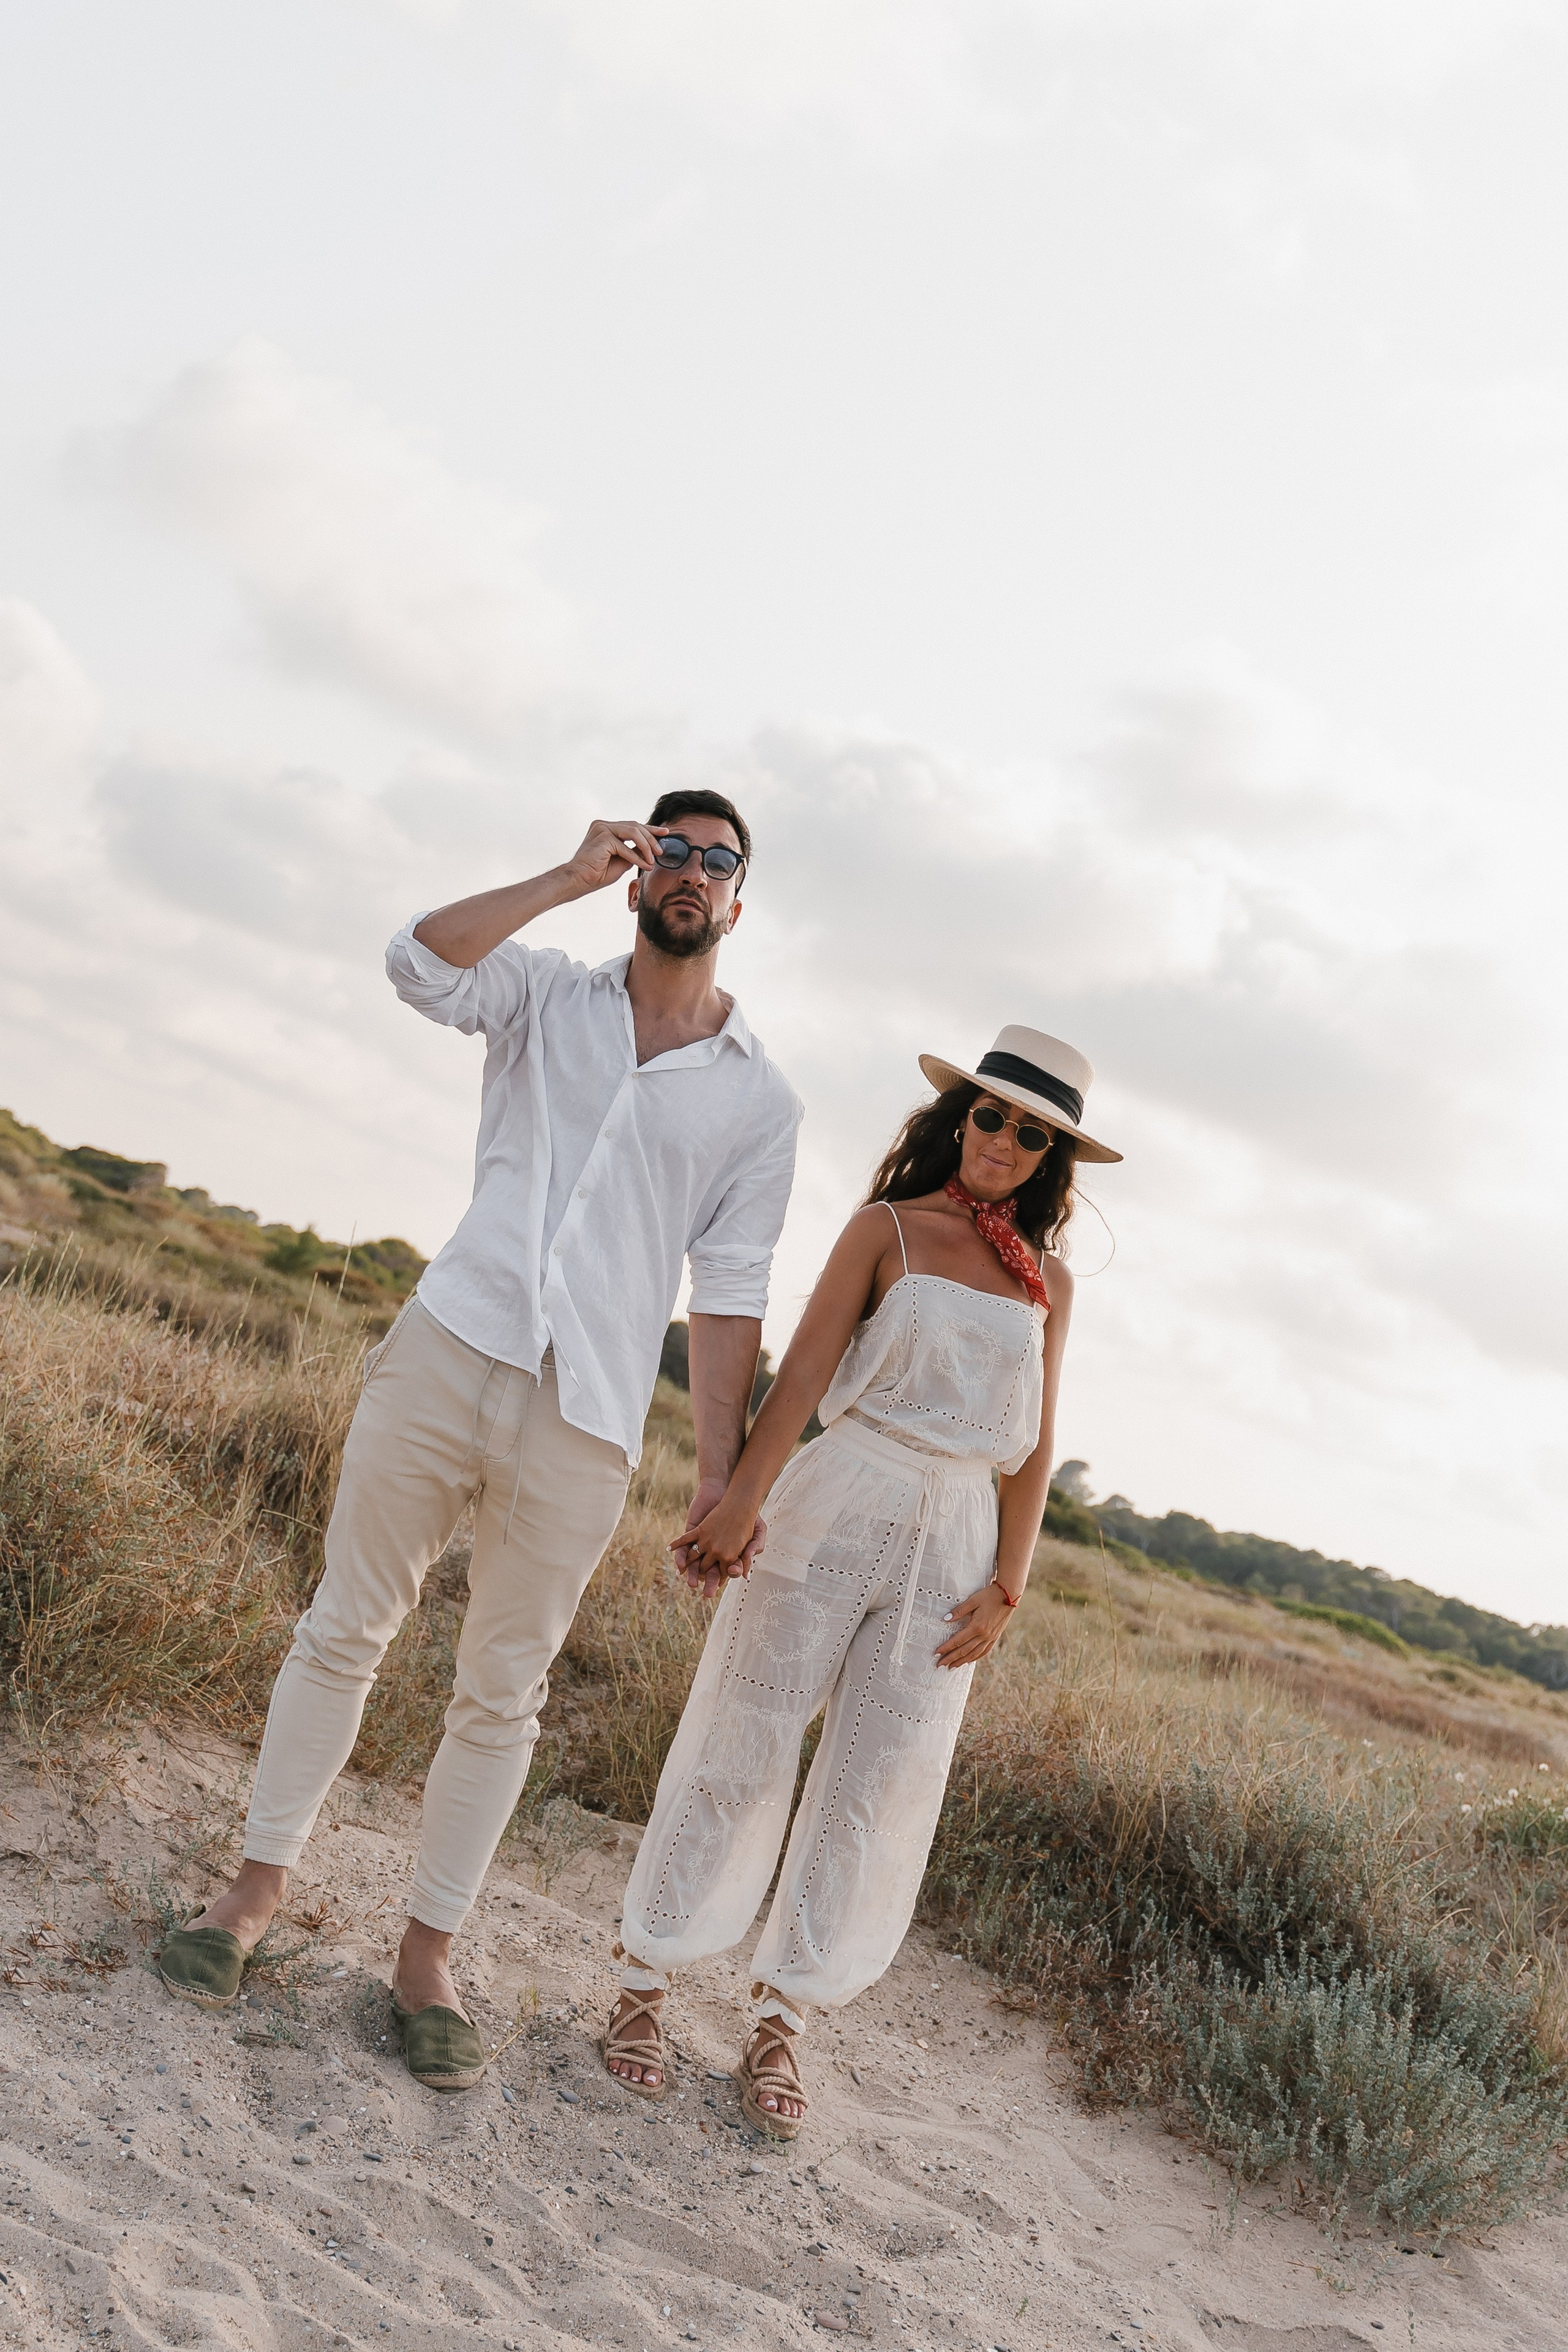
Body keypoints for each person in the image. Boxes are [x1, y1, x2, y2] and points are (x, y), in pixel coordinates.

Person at [156, 792, 802, 2092]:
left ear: (739, 902)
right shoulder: (543, 990)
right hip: (452, 1341)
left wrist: (718, 1475)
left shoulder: (759, 1099)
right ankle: (251, 1896)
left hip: (588, 1410)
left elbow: (730, 1291)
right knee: (345, 1627)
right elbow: (416, 961)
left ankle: (426, 1959)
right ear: (640, 873)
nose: (691, 871)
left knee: (504, 1693)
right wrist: (563, 877)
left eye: (717, 861)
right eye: (671, 851)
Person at [601, 1025, 1120, 2136]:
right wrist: (739, 1498)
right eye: (990, 1115)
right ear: (959, 1119)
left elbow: (1034, 1443)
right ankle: (647, 1975)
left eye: (1031, 1133)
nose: (1003, 1140)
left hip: (958, 1539)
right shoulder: (885, 1228)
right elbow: (803, 1374)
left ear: (1052, 1159)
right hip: (843, 1491)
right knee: (746, 1737)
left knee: (877, 1782)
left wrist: (1011, 1581)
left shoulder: (1052, 1283)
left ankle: (782, 2014)